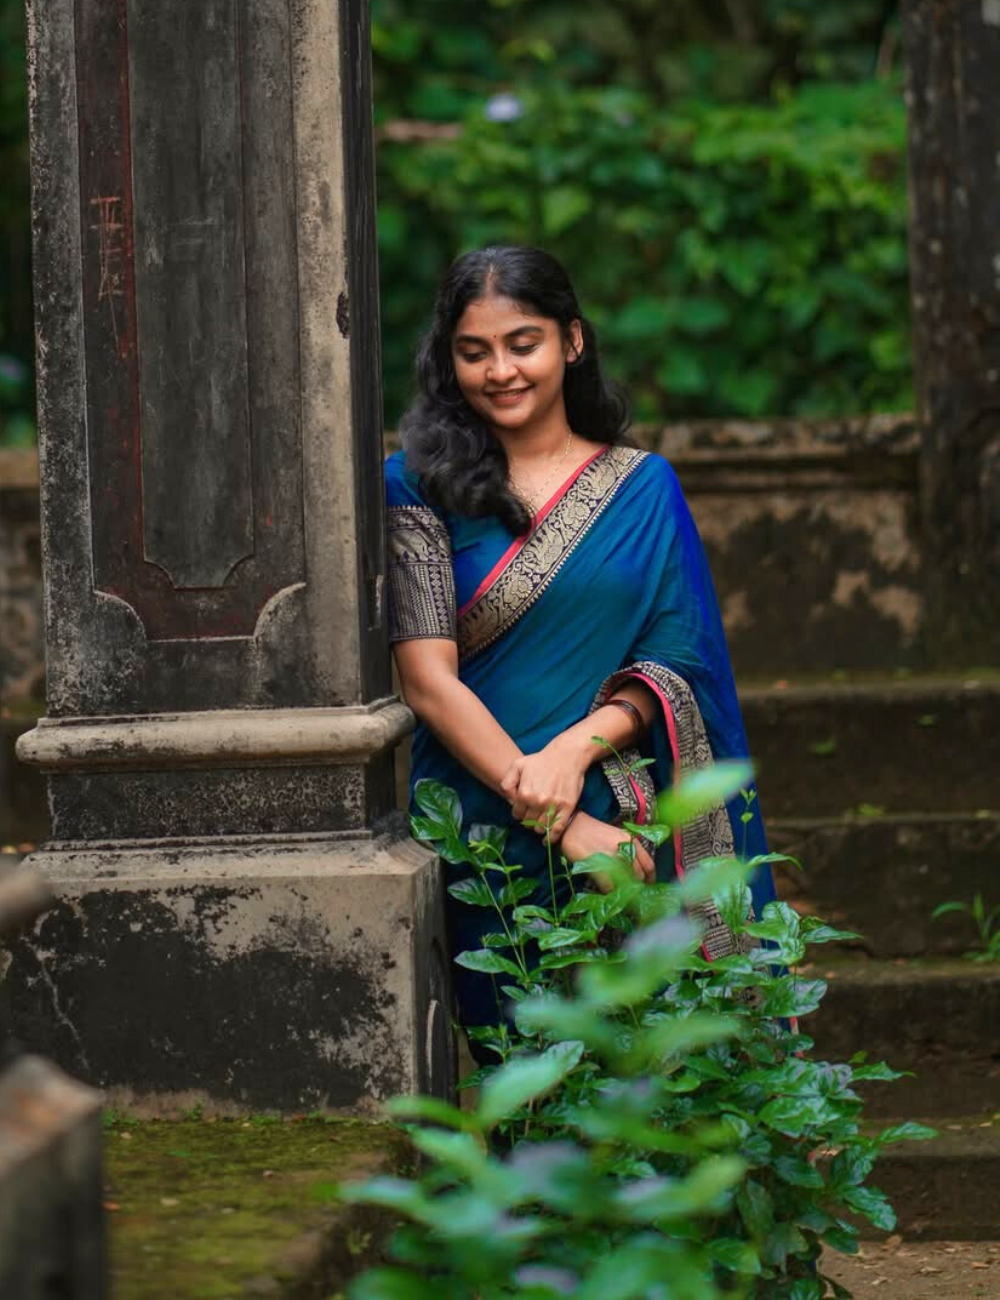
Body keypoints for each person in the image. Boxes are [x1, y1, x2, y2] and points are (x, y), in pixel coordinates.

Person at [385, 245, 777, 1040]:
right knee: (530, 1072)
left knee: (659, 1068)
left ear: (571, 341)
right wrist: (559, 824)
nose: (500, 371)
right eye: (474, 351)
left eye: (521, 343)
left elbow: (678, 661)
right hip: (484, 821)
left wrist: (572, 753)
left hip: (625, 815)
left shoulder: (643, 489)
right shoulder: (416, 486)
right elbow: (427, 681)